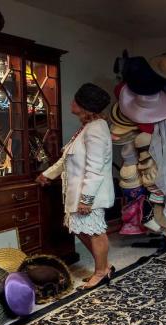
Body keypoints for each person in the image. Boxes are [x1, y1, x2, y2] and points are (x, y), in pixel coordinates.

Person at [36, 83, 115, 290]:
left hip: (90, 194)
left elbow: (96, 168)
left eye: (76, 100)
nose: (71, 102)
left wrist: (86, 199)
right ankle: (105, 267)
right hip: (78, 192)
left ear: (85, 106)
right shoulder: (87, 127)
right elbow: (66, 159)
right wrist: (47, 174)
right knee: (80, 229)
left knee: (95, 231)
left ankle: (101, 272)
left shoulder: (96, 128)